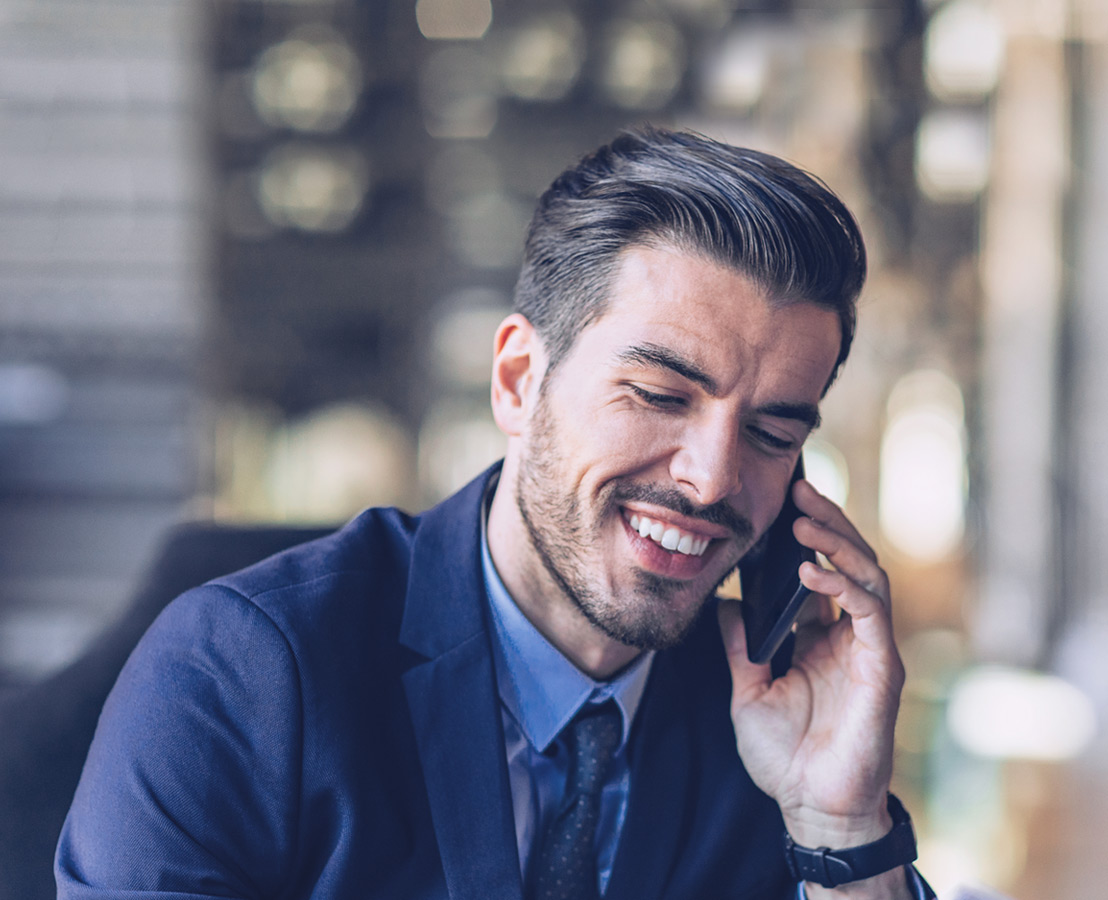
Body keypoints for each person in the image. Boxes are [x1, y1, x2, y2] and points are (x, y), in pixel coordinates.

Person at [56, 127, 934, 900]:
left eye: (773, 432)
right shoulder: (243, 675)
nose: (711, 482)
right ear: (519, 380)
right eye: (660, 395)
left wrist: (840, 826)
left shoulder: (767, 722)